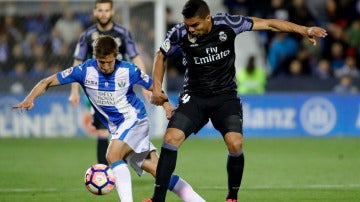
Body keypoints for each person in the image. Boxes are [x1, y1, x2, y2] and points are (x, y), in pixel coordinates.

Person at [145, 0, 327, 201]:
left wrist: (304, 29)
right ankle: (157, 198)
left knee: (235, 143)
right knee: (170, 139)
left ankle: (232, 196)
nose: (191, 29)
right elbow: (161, 55)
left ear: (208, 18)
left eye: (195, 25)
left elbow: (268, 23)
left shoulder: (228, 23)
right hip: (195, 96)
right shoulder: (179, 33)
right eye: (188, 25)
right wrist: (157, 87)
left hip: (225, 97)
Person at [12, 35, 205, 202]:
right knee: (160, 172)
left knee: (112, 155)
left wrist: (167, 106)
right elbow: (47, 82)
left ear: (116, 57)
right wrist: (30, 98)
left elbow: (154, 88)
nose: (105, 66)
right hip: (118, 128)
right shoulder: (83, 71)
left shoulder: (129, 70)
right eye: (101, 62)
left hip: (135, 120)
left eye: (109, 62)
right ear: (95, 57)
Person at [68, 0, 151, 165]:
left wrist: (145, 86)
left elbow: (136, 58)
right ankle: (105, 173)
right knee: (101, 132)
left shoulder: (123, 33)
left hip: (121, 90)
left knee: (123, 133)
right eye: (100, 10)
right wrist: (74, 90)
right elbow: (77, 62)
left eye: (107, 10)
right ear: (95, 12)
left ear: (112, 12)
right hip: (97, 90)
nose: (104, 13)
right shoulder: (87, 35)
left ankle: (120, 169)